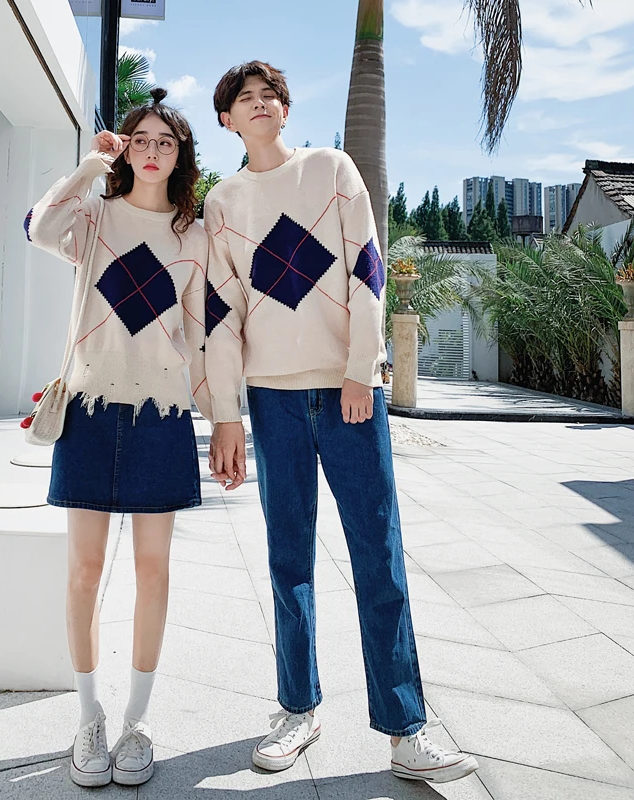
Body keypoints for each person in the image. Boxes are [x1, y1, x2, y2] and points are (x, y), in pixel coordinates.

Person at [202, 62, 479, 785]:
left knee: (377, 555)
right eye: (243, 98)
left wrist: (363, 368)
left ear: (286, 110)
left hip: (350, 394)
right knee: (288, 559)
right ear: (226, 120)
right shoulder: (222, 202)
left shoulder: (331, 168)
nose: (259, 103)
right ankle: (297, 710)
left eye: (270, 94)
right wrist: (227, 414)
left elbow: (367, 270)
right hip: (273, 400)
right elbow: (221, 316)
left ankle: (406, 729)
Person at [25, 88, 211, 788]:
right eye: (141, 140)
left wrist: (223, 415)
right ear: (124, 149)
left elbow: (205, 331)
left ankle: (136, 722)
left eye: (166, 141)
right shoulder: (95, 215)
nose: (153, 151)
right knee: (84, 570)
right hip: (90, 409)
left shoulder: (195, 235)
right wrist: (88, 166)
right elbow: (39, 228)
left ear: (181, 155)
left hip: (162, 415)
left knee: (153, 570)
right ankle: (89, 719)